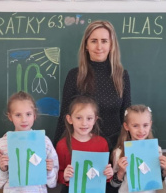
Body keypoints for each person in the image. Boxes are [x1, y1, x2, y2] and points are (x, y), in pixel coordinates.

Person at [55, 20, 131, 150]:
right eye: (94, 41)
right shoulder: (75, 75)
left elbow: (127, 117)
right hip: (82, 148)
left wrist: (131, 149)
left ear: (111, 45)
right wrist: (55, 151)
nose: (99, 47)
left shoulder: (121, 75)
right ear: (86, 45)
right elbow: (64, 116)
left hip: (115, 148)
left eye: (104, 41)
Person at [0, 92, 58, 193]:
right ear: (10, 117)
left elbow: (52, 183)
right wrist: (2, 168)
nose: (24, 119)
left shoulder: (44, 142)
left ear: (34, 115)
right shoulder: (2, 143)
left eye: (28, 114)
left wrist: (49, 170)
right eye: (18, 115)